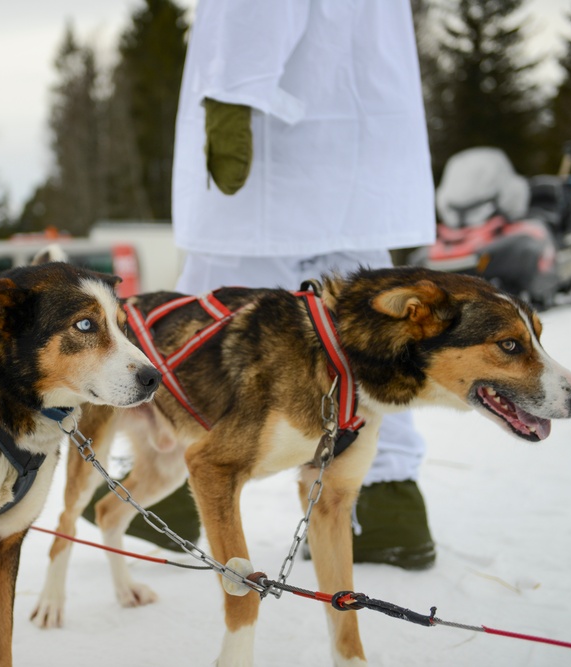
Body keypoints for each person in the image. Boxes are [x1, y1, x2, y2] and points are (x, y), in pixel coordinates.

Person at [171, 0, 437, 569]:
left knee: (208, 316)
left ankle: (171, 479)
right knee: (370, 326)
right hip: (353, 136)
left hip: (275, 149)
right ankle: (389, 503)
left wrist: (232, 94)